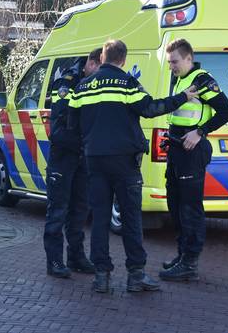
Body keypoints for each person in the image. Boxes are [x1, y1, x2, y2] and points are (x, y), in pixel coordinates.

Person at [68, 39, 197, 293]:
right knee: (130, 219)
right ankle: (135, 275)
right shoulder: (127, 83)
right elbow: (151, 109)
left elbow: (73, 124)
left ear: (103, 58)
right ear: (124, 60)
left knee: (100, 219)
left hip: (94, 160)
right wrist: (182, 97)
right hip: (125, 162)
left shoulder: (82, 87)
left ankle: (101, 277)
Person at [159, 38, 228, 282]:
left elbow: (227, 111)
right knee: (176, 205)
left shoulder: (202, 80)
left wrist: (200, 131)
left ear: (188, 58)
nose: (171, 66)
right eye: (170, 62)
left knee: (190, 209)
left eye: (175, 62)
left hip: (192, 151)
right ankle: (182, 256)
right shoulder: (181, 79)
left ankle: (190, 263)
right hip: (177, 149)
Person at [44, 48, 102, 278]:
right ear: (91, 63)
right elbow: (58, 130)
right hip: (64, 157)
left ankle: (76, 256)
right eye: (99, 69)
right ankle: (55, 261)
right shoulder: (66, 82)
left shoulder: (96, 82)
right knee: (58, 210)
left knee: (80, 209)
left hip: (83, 157)